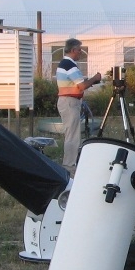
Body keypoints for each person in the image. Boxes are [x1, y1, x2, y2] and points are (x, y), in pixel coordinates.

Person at [56, 38, 101, 176]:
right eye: (80, 49)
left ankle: (70, 163)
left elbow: (77, 85)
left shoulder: (66, 64)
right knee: (72, 136)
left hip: (70, 101)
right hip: (70, 102)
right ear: (74, 50)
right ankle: (69, 166)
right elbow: (81, 85)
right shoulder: (69, 65)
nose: (81, 52)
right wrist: (94, 78)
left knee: (72, 134)